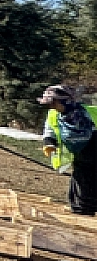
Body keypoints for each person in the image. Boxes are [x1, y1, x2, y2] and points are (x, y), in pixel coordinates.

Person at [40, 84, 97, 216]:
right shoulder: (53, 114)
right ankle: (82, 208)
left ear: (65, 101)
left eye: (53, 103)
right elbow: (49, 130)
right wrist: (49, 142)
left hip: (93, 147)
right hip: (79, 155)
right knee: (81, 179)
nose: (51, 106)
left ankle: (87, 207)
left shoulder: (90, 112)